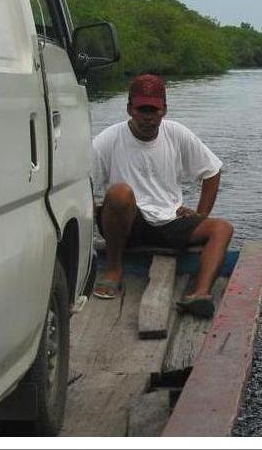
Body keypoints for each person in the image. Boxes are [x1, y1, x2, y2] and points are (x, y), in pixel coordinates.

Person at [91, 74, 233, 319]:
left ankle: (200, 293)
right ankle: (114, 269)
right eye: (142, 109)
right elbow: (85, 184)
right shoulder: (107, 140)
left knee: (222, 228)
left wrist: (201, 213)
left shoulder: (176, 133)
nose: (148, 116)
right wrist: (95, 210)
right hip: (129, 225)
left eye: (154, 110)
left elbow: (212, 171)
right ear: (129, 109)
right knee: (119, 193)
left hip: (169, 220)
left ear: (164, 110)